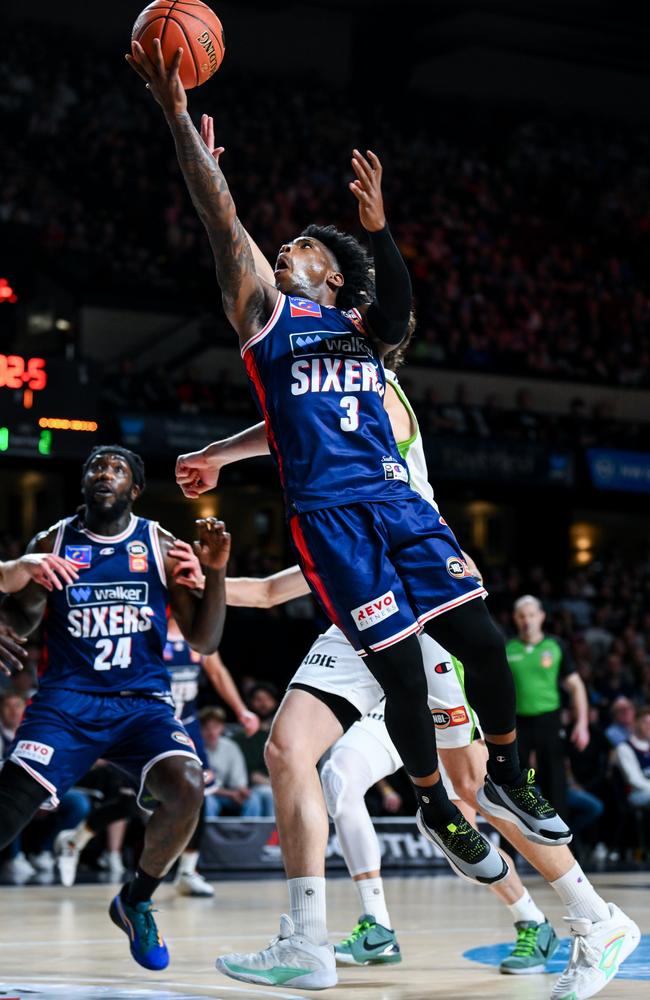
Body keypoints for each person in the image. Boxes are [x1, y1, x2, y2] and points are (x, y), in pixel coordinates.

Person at [131, 45, 566, 983]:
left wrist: (385, 231)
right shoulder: (268, 320)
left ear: (334, 277)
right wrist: (178, 123)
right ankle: (442, 850)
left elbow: (397, 313)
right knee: (357, 724)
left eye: (306, 249)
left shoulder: (368, 343)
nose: (288, 250)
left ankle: (511, 810)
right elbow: (222, 224)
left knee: (480, 654)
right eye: (286, 245)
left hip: (399, 514)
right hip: (336, 527)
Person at [218, 327, 637, 997]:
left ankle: (593, 918)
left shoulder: (371, 386)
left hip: (411, 595)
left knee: (473, 792)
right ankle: (310, 940)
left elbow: (283, 422)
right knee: (289, 747)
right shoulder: (325, 409)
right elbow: (271, 581)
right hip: (360, 583)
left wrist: (217, 455)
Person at [0, 445, 230, 972]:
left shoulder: (160, 543)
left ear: (135, 488)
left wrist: (215, 571)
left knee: (187, 787)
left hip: (142, 705)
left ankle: (136, 898)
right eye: (95, 467)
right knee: (8, 807)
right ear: (83, 483)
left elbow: (205, 640)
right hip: (67, 703)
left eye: (117, 468)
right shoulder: (53, 543)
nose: (104, 474)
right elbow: (21, 616)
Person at [507, 595, 590, 818]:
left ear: (541, 616)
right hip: (517, 724)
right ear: (516, 618)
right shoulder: (508, 648)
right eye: (522, 616)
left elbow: (575, 685)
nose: (527, 620)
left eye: (532, 615)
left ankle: (566, 849)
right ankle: (511, 851)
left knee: (555, 784)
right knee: (516, 785)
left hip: (549, 721)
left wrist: (582, 724)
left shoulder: (555, 645)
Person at [232, 683, 278, 818]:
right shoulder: (240, 738)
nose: (263, 704)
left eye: (267, 699)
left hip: (279, 784)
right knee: (265, 794)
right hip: (249, 787)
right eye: (258, 700)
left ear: (275, 702)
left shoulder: (284, 735)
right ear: (250, 703)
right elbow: (247, 773)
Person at [200, 706, 251, 816]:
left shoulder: (230, 747)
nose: (211, 732)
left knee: (253, 800)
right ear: (200, 729)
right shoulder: (195, 747)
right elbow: (201, 785)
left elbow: (238, 782)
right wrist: (230, 794)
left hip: (228, 794)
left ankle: (251, 833)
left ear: (222, 727)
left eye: (215, 727)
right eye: (206, 727)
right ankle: (209, 834)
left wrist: (242, 791)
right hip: (207, 794)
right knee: (208, 801)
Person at [615, 705, 650, 810]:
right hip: (636, 793)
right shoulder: (624, 747)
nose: (649, 726)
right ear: (635, 723)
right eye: (645, 722)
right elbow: (633, 779)